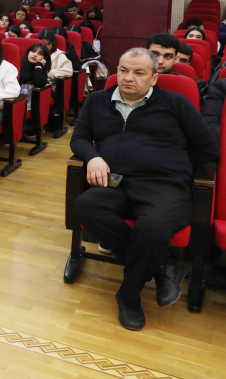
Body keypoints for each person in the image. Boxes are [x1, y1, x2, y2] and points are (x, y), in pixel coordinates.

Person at [71, 48, 218, 330]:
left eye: (139, 73)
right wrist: (93, 157)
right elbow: (79, 138)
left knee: (151, 229)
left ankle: (128, 296)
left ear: (154, 78)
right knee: (86, 206)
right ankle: (162, 266)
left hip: (164, 185)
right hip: (116, 182)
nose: (129, 77)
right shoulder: (98, 100)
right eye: (123, 70)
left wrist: (177, 169)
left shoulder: (175, 102)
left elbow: (207, 147)